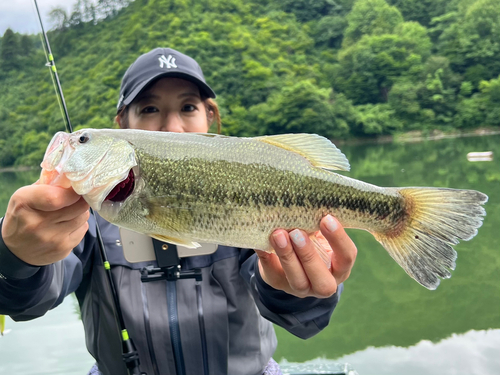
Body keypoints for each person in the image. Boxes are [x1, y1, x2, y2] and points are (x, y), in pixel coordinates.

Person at [0, 48, 357, 375]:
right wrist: (15, 257)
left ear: (210, 116)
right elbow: (26, 302)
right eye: (150, 109)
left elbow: (304, 321)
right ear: (122, 125)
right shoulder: (80, 219)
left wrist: (297, 290)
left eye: (188, 107)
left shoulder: (248, 186)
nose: (172, 127)